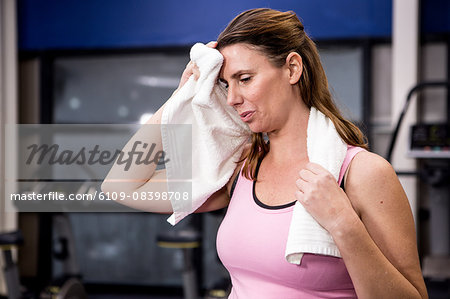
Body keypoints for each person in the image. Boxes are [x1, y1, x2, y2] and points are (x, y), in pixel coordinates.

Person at [102, 8, 428, 298]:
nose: (231, 99)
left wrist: (343, 224)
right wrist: (179, 100)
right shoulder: (242, 169)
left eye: (244, 79)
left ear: (292, 69)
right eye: (226, 85)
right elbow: (121, 186)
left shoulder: (363, 173)